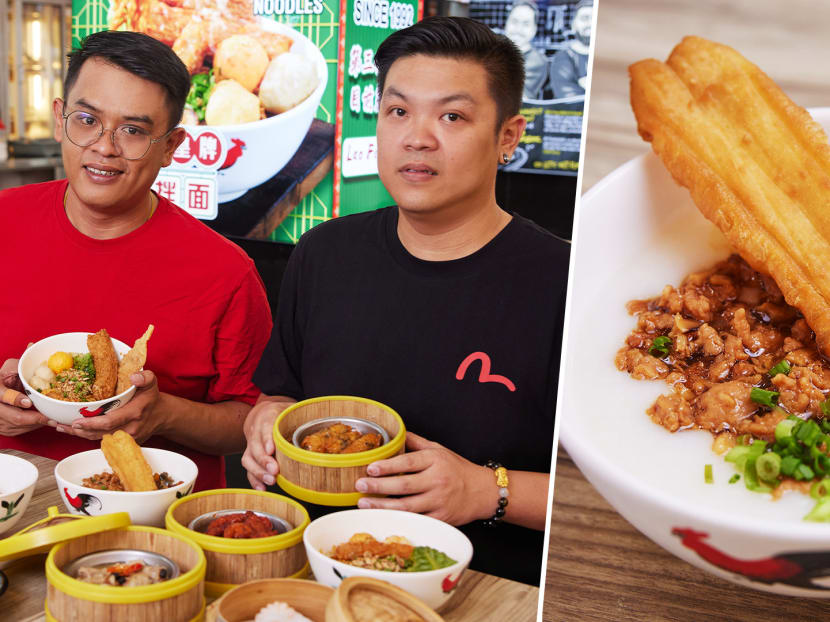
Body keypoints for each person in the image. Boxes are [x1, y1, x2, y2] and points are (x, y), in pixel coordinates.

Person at [241, 16, 569, 585]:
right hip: (316, 573)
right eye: (398, 111)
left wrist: (484, 489)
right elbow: (280, 394)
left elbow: (610, 504)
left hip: (487, 588)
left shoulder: (566, 281)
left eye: (452, 116)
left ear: (508, 138)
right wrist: (265, 423)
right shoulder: (324, 252)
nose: (417, 137)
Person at [0, 30, 272, 491]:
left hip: (158, 529)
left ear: (171, 146)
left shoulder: (225, 271)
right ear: (59, 116)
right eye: (86, 119)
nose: (104, 146)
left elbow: (251, 420)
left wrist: (165, 414)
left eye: (133, 130)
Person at [504, 0, 548, 100]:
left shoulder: (537, 62)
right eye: (514, 22)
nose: (518, 29)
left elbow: (516, 97)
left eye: (526, 24)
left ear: (534, 30)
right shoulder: (491, 52)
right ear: (506, 23)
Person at [549, 0, 593, 98]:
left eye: (595, 19)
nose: (590, 23)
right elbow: (567, 97)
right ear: (573, 25)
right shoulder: (563, 57)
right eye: (584, 18)